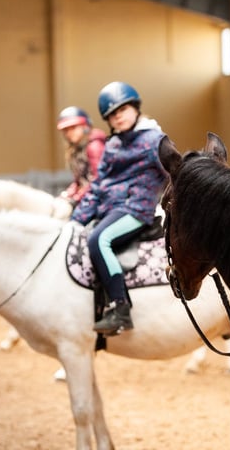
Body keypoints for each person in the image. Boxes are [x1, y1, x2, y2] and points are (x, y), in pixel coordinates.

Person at [70, 82, 168, 335]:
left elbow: (176, 172)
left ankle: (121, 308)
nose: (118, 116)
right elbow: (98, 184)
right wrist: (75, 219)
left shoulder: (154, 141)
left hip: (137, 208)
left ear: (135, 108)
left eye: (123, 109)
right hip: (111, 209)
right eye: (112, 114)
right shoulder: (113, 145)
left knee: (99, 240)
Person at [56, 106, 106, 207]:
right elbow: (79, 181)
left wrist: (77, 198)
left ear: (85, 127)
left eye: (73, 128)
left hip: (98, 199)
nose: (69, 133)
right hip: (86, 197)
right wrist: (68, 194)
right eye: (66, 130)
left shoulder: (94, 146)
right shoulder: (76, 149)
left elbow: (98, 179)